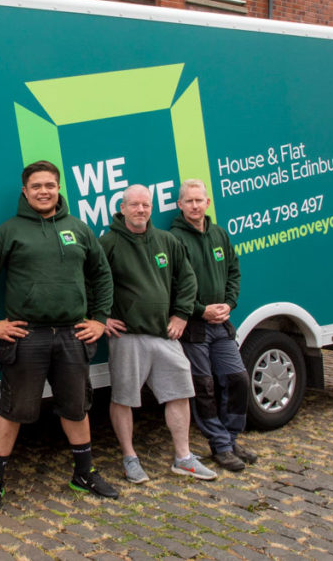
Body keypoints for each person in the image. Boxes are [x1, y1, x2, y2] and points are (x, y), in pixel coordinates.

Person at [0, 160, 118, 511]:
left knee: (76, 407)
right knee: (12, 409)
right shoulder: (10, 231)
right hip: (27, 336)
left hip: (72, 335)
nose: (43, 191)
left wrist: (99, 320)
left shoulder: (78, 229)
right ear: (25, 190)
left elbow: (102, 275)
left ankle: (84, 473)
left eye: (50, 185)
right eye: (36, 186)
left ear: (58, 188)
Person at [100, 185, 217, 483]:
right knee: (124, 398)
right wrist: (101, 317)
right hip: (127, 336)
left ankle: (184, 457)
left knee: (179, 393)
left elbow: (187, 281)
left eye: (146, 205)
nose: (141, 210)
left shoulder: (167, 241)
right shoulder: (108, 243)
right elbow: (89, 281)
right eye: (134, 205)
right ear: (122, 208)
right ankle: (130, 458)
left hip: (166, 335)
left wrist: (180, 315)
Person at [169, 179, 256, 472]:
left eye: (199, 200)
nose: (195, 205)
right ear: (180, 205)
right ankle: (219, 446)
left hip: (222, 326)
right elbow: (170, 287)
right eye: (189, 201)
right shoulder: (173, 239)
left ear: (208, 203)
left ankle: (231, 439)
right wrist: (199, 310)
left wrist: (229, 304)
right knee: (204, 388)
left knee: (238, 380)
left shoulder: (220, 234)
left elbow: (234, 271)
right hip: (195, 328)